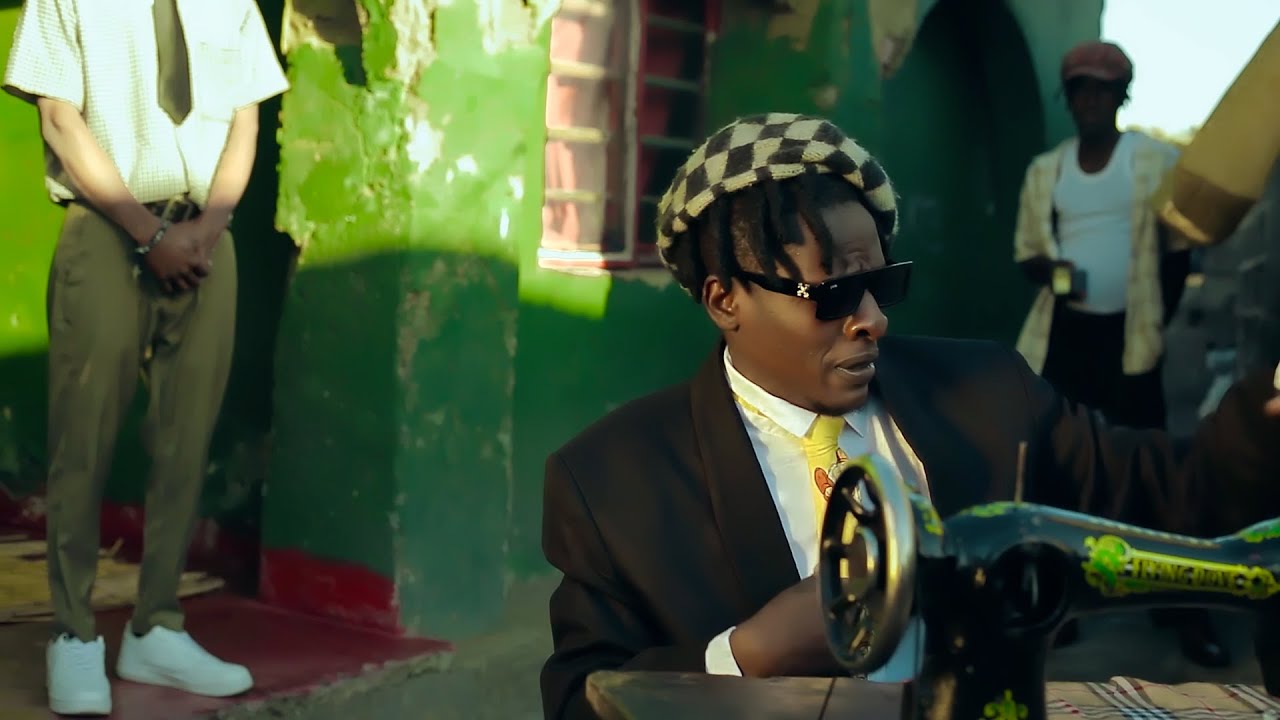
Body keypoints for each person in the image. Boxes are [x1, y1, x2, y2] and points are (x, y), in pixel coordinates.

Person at [538, 112, 1280, 720]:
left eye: (881, 285)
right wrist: (746, 654)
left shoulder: (990, 394)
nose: (872, 321)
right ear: (724, 300)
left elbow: (1177, 494)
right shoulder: (610, 484)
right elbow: (579, 702)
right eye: (832, 294)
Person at [3, 0, 289, 715]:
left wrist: (208, 228)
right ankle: (73, 636)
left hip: (206, 236)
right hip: (106, 229)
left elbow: (246, 120)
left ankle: (156, 626)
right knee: (83, 439)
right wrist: (146, 233)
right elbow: (59, 118)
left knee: (186, 439)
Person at [1010, 40, 1222, 663]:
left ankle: (1179, 609)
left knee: (1154, 468)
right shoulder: (1048, 171)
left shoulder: (1150, 160)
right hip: (1067, 338)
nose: (1091, 101)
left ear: (1122, 96)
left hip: (1130, 340)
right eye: (1081, 89)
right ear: (1069, 98)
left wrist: (1156, 317)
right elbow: (1028, 255)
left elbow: (1178, 249)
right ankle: (1060, 605)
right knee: (1059, 468)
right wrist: (1058, 274)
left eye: (1103, 89)